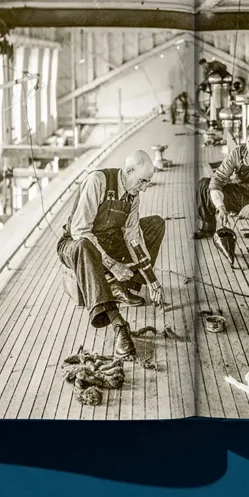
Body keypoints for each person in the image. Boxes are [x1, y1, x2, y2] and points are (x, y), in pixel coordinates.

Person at [57, 150, 165, 357]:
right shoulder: (97, 181)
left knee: (155, 224)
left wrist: (153, 281)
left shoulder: (133, 197)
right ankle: (119, 326)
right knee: (84, 247)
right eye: (142, 181)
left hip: (108, 242)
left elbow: (133, 238)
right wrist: (114, 266)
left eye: (147, 183)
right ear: (128, 171)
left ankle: (122, 285)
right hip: (75, 244)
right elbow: (80, 231)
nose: (143, 188)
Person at [194, 119, 249, 242]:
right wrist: (220, 206)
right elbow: (218, 179)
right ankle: (206, 228)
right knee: (203, 185)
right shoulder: (237, 153)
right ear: (246, 140)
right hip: (237, 194)